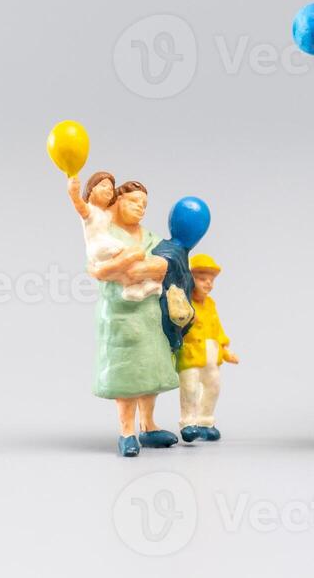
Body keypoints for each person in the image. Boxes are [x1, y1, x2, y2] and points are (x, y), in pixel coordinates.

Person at [87, 181, 181, 457]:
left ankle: (148, 425)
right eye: (134, 202)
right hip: (121, 315)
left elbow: (165, 264)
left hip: (149, 314)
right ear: (117, 202)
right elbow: (99, 270)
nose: (140, 208)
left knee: (149, 370)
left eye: (144, 204)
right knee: (127, 374)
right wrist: (139, 268)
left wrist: (138, 269)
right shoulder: (104, 235)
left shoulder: (149, 236)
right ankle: (127, 431)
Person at [69, 171, 160, 302]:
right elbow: (79, 205)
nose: (109, 190)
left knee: (124, 268)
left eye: (111, 189)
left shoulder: (105, 213)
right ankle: (136, 285)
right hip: (99, 246)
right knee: (134, 255)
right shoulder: (90, 210)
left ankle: (133, 288)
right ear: (91, 189)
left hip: (105, 245)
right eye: (104, 185)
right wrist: (73, 192)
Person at [177, 254, 238, 442]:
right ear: (190, 279)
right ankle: (189, 423)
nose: (208, 284)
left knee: (213, 387)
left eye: (211, 280)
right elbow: (175, 323)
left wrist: (225, 349)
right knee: (190, 388)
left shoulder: (211, 304)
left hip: (212, 354)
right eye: (203, 279)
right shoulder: (183, 302)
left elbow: (217, 328)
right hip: (191, 354)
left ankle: (205, 420)